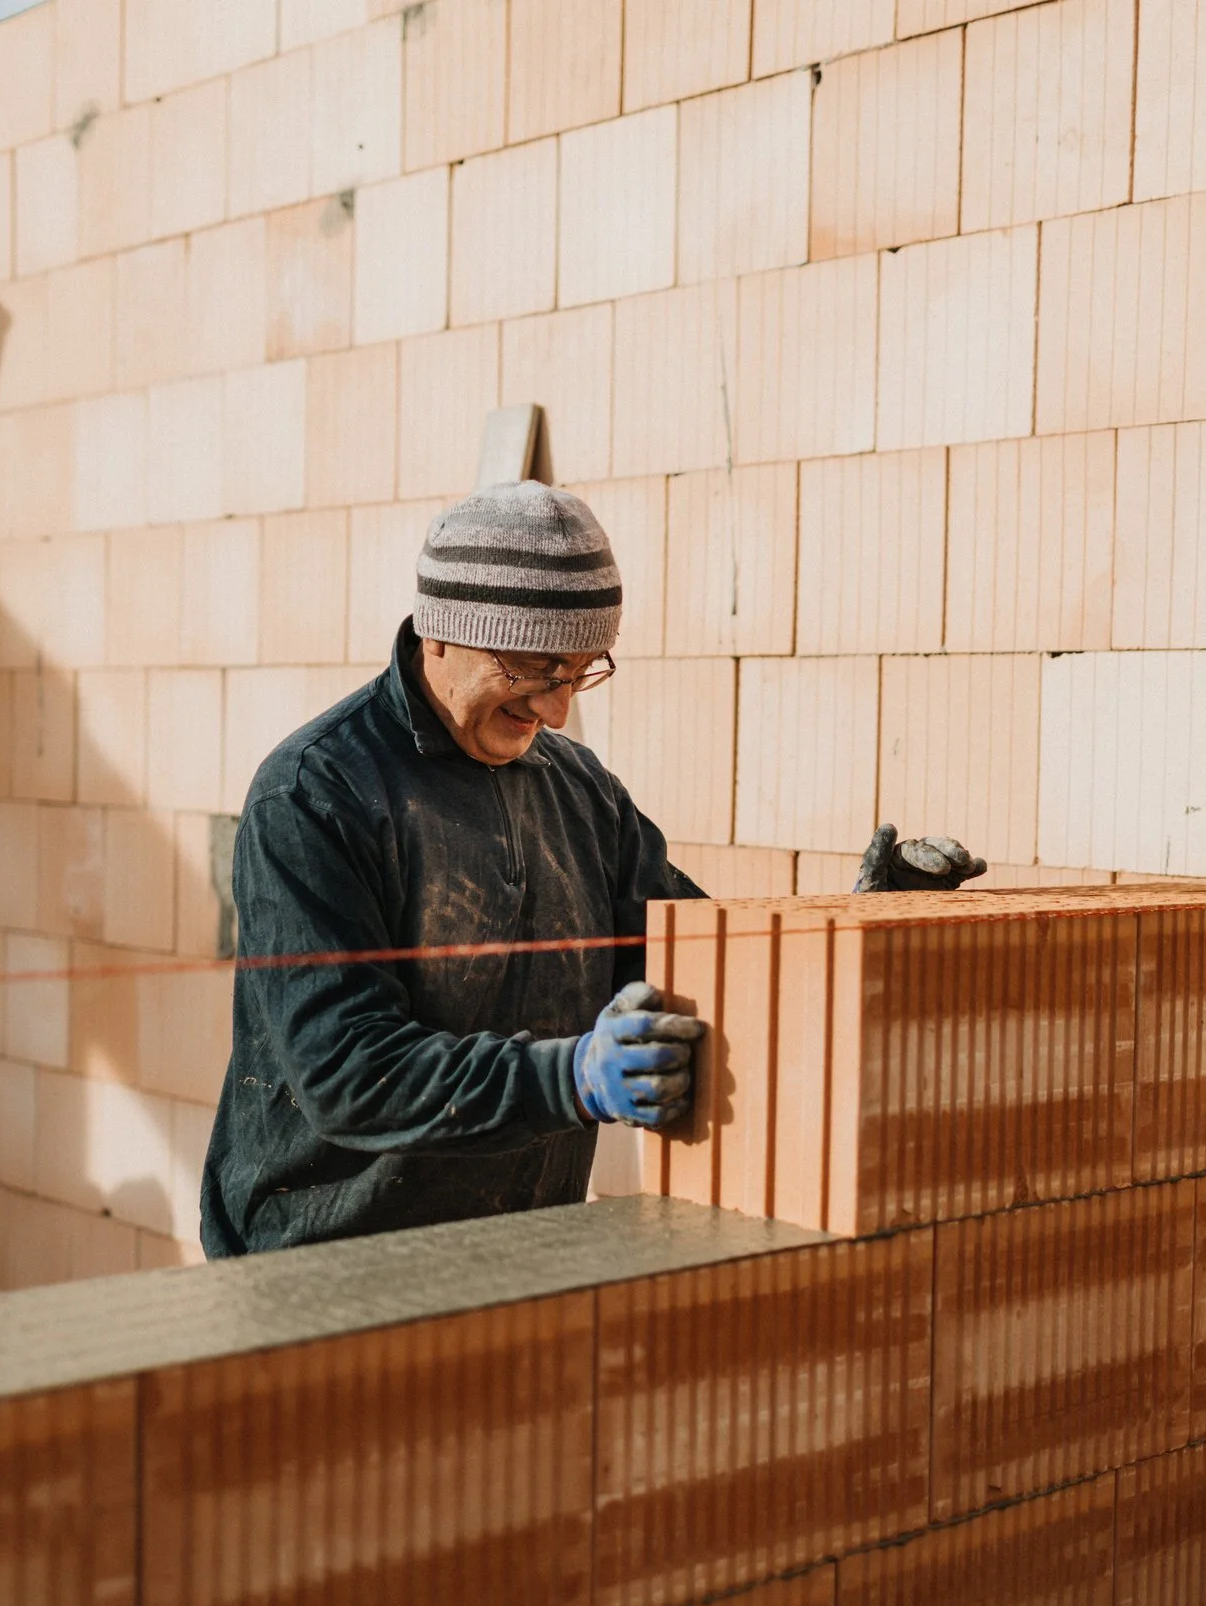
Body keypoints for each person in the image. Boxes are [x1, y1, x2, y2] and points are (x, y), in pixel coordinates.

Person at [197, 482, 981, 1257]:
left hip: (515, 1255)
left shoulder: (580, 792)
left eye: (579, 671)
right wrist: (567, 1077)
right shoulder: (315, 795)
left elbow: (707, 967)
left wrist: (864, 928)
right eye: (536, 668)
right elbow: (348, 1072)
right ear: (442, 630)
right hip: (318, 1263)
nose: (557, 708)